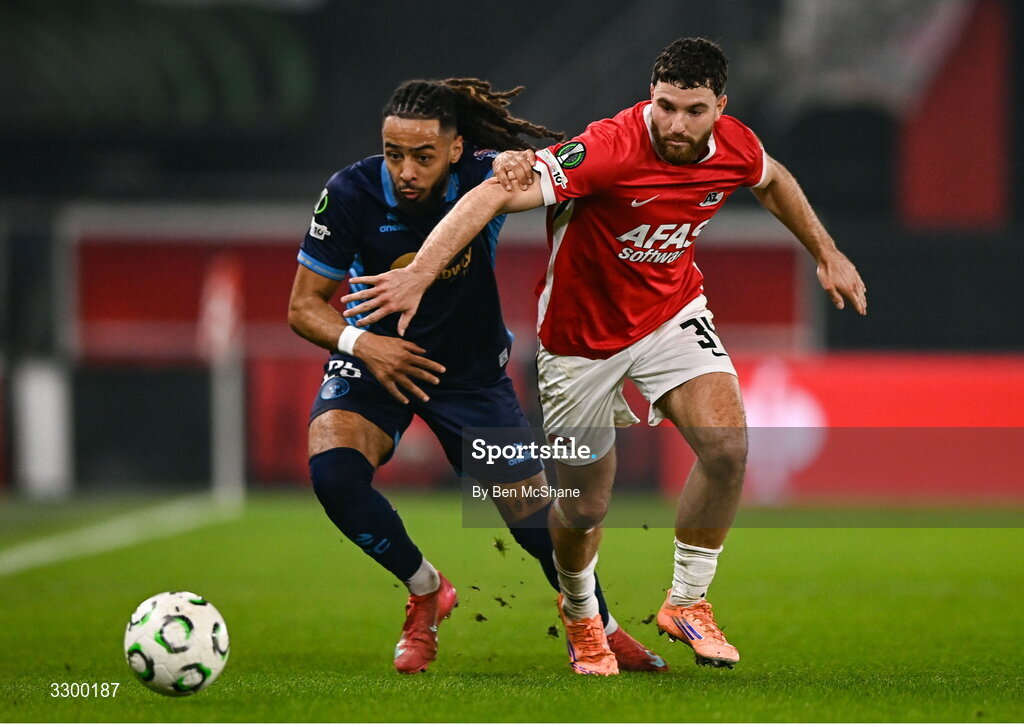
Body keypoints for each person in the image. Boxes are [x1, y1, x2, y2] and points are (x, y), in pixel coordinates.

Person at [341, 39, 868, 676]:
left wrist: (826, 252)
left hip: (671, 315)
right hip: (579, 344)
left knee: (728, 446)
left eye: (694, 111)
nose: (677, 124)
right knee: (585, 508)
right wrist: (420, 273)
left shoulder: (735, 145)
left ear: (720, 108)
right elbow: (489, 196)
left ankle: (688, 602)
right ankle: (580, 611)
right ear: (651, 97)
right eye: (665, 106)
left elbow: (773, 179)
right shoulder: (608, 148)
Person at [287, 77, 666, 675]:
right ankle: (425, 589)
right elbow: (303, 306)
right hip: (376, 361)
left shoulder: (485, 175)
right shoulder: (350, 193)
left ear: (456, 148)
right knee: (333, 473)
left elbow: (555, 172)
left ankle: (601, 626)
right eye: (393, 154)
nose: (406, 170)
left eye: (423, 156)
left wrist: (521, 162)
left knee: (538, 527)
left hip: (469, 377)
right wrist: (365, 345)